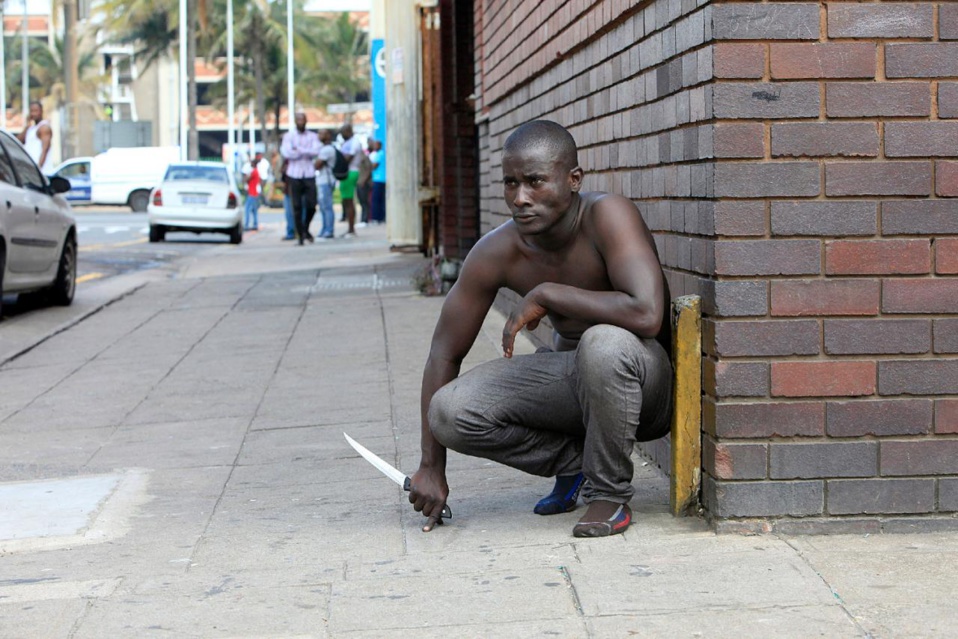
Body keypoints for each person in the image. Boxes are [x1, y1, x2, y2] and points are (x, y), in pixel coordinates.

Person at [408, 120, 673, 538]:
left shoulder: (608, 216)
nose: (520, 198)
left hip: (643, 385)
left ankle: (609, 494)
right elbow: (444, 353)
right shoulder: (498, 251)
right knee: (448, 410)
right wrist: (430, 466)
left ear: (573, 179)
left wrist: (550, 294)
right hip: (571, 381)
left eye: (535, 181)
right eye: (510, 183)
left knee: (600, 341)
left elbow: (647, 314)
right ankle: (575, 466)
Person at [281, 111, 321, 245]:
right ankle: (300, 236)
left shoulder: (313, 136)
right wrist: (306, 151)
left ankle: (305, 229)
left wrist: (298, 150)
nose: (301, 123)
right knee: (296, 206)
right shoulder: (288, 136)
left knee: (312, 205)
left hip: (309, 173)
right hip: (294, 174)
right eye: (298, 120)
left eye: (303, 120)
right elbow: (287, 153)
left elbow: (316, 151)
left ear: (306, 121)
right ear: (295, 121)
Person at [338, 124, 362, 237]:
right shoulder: (347, 143)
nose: (342, 135)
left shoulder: (354, 142)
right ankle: (350, 228)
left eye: (343, 132)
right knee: (346, 202)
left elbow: (348, 158)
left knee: (349, 202)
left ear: (348, 131)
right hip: (346, 173)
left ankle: (351, 229)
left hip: (350, 172)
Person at [313, 129, 338, 240]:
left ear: (328, 135)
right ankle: (325, 229)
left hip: (326, 181)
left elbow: (317, 165)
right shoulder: (324, 148)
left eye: (321, 133)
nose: (319, 136)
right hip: (323, 180)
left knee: (327, 206)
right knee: (323, 207)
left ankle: (329, 230)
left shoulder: (327, 150)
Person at [18, 101, 53, 173]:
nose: (33, 113)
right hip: (30, 170)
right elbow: (18, 141)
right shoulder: (31, 128)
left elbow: (45, 150)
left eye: (36, 111)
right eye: (31, 111)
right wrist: (27, 125)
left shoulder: (44, 127)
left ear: (41, 111)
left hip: (41, 172)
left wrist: (39, 169)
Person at [241, 153, 262, 231]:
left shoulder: (254, 172)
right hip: (253, 193)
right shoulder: (255, 171)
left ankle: (246, 224)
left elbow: (246, 179)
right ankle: (255, 224)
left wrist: (246, 177)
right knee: (254, 210)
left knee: (247, 209)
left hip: (252, 193)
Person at [355, 139, 374, 226]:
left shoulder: (364, 157)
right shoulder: (358, 157)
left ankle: (365, 220)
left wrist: (364, 181)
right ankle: (363, 219)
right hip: (359, 182)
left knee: (364, 202)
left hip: (363, 182)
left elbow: (369, 170)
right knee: (361, 202)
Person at [369, 139, 386, 224]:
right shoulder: (382, 154)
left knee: (376, 200)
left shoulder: (379, 154)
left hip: (378, 179)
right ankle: (381, 217)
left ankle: (376, 217)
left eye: (376, 145)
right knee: (380, 199)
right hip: (381, 179)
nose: (374, 146)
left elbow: (374, 166)